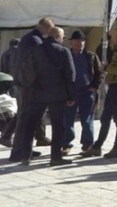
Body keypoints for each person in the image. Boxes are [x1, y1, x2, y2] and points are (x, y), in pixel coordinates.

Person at [81, 24, 117, 159]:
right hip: (115, 86)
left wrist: (105, 68)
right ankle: (97, 146)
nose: (111, 40)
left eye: (112, 37)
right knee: (105, 117)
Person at [25, 26, 76, 166]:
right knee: (58, 126)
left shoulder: (36, 50)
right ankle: (55, 157)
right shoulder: (63, 51)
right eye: (63, 37)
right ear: (58, 37)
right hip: (57, 94)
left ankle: (25, 155)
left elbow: (28, 70)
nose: (63, 40)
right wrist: (71, 96)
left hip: (38, 92)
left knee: (31, 124)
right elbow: (70, 74)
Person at [5, 17, 52, 157]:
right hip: (28, 84)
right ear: (45, 27)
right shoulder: (35, 40)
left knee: (25, 117)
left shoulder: (29, 38)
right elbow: (39, 61)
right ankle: (19, 151)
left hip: (24, 82)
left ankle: (24, 148)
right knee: (25, 117)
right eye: (49, 29)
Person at [64, 30, 102, 155]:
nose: (80, 43)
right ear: (71, 42)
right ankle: (66, 144)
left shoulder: (91, 56)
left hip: (87, 92)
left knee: (87, 119)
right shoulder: (66, 56)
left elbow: (99, 73)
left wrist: (94, 87)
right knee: (68, 119)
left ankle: (88, 144)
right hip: (71, 92)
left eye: (82, 41)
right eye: (77, 41)